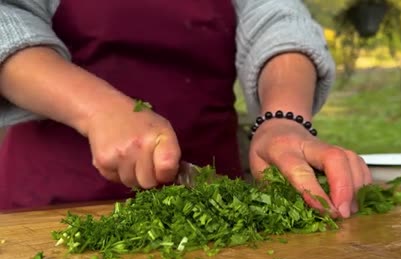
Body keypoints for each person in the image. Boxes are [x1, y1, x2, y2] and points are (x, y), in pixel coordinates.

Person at [0, 0, 371, 218]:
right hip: (54, 204)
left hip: (212, 203)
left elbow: (277, 18)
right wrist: (96, 109)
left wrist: (283, 119)